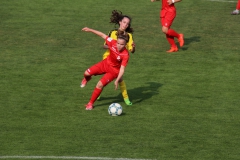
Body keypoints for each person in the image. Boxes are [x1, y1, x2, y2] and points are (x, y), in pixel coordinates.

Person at [80, 27, 130, 110]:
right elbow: (102, 35)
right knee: (86, 73)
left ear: (125, 45)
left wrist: (117, 80)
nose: (119, 45)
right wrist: (90, 30)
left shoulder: (125, 55)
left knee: (99, 84)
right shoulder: (112, 42)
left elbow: (122, 69)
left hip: (113, 71)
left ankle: (90, 104)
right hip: (105, 64)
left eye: (121, 44)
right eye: (118, 43)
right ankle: (86, 79)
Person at [99, 10, 135, 106]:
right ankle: (125, 99)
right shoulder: (113, 32)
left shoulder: (129, 36)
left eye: (127, 24)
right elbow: (104, 46)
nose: (125, 25)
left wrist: (133, 48)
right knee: (107, 77)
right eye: (124, 22)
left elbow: (131, 50)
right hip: (108, 58)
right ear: (120, 22)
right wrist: (113, 46)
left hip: (119, 61)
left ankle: (126, 99)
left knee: (120, 79)